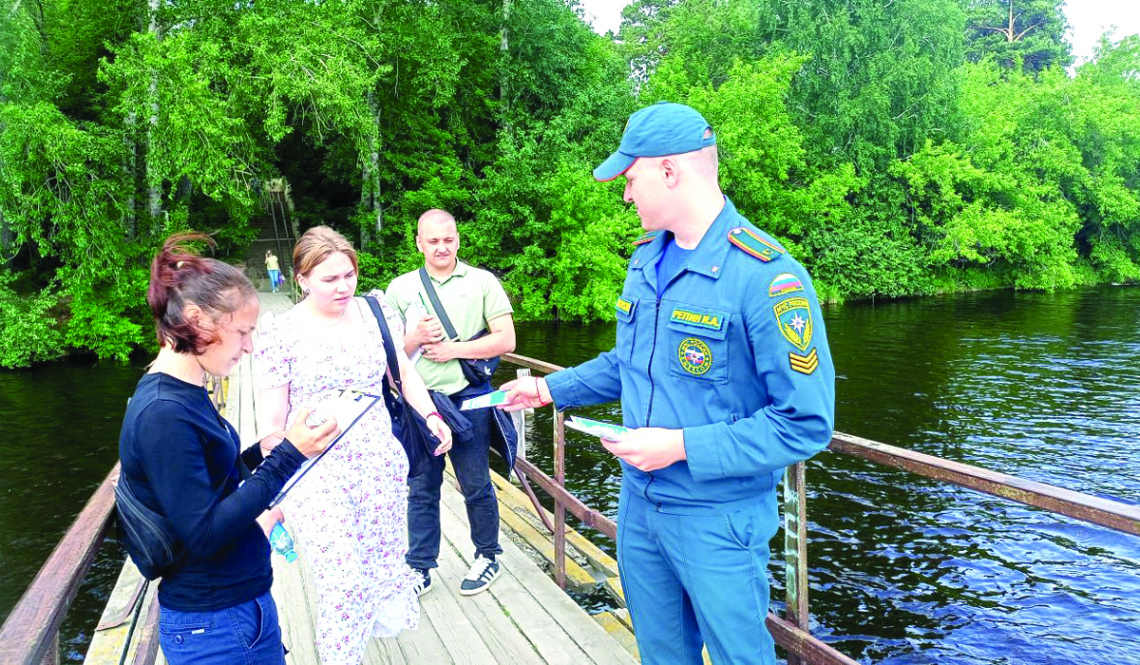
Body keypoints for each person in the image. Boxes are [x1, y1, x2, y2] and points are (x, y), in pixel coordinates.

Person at [501, 102, 836, 665]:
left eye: (631, 179)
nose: (626, 194)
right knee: (660, 656)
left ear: (669, 170)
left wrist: (679, 446)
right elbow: (629, 363)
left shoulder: (766, 276)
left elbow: (805, 423)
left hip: (717, 519)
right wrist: (550, 390)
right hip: (640, 506)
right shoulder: (646, 259)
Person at [118, 232, 339, 664]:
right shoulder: (163, 414)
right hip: (215, 624)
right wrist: (289, 456)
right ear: (198, 320)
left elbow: (205, 480)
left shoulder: (186, 390)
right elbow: (203, 533)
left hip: (236, 609)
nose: (250, 347)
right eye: (242, 332)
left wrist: (260, 452)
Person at [255, 226, 452, 665]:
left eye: (349, 275)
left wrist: (431, 415)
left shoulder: (374, 312)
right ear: (302, 279)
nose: (343, 287)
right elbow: (270, 424)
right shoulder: (281, 333)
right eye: (329, 279)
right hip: (314, 471)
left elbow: (402, 373)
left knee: (377, 569)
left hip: (377, 464)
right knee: (342, 583)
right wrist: (273, 486)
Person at [385, 209, 517, 597]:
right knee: (421, 487)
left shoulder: (482, 282)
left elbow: (506, 339)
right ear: (419, 243)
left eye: (448, 239)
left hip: (470, 398)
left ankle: (488, 555)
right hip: (420, 402)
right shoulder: (400, 288)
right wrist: (414, 338)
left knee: (476, 483)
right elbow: (389, 353)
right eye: (433, 241)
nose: (441, 247)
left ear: (458, 239)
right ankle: (420, 566)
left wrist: (452, 350)